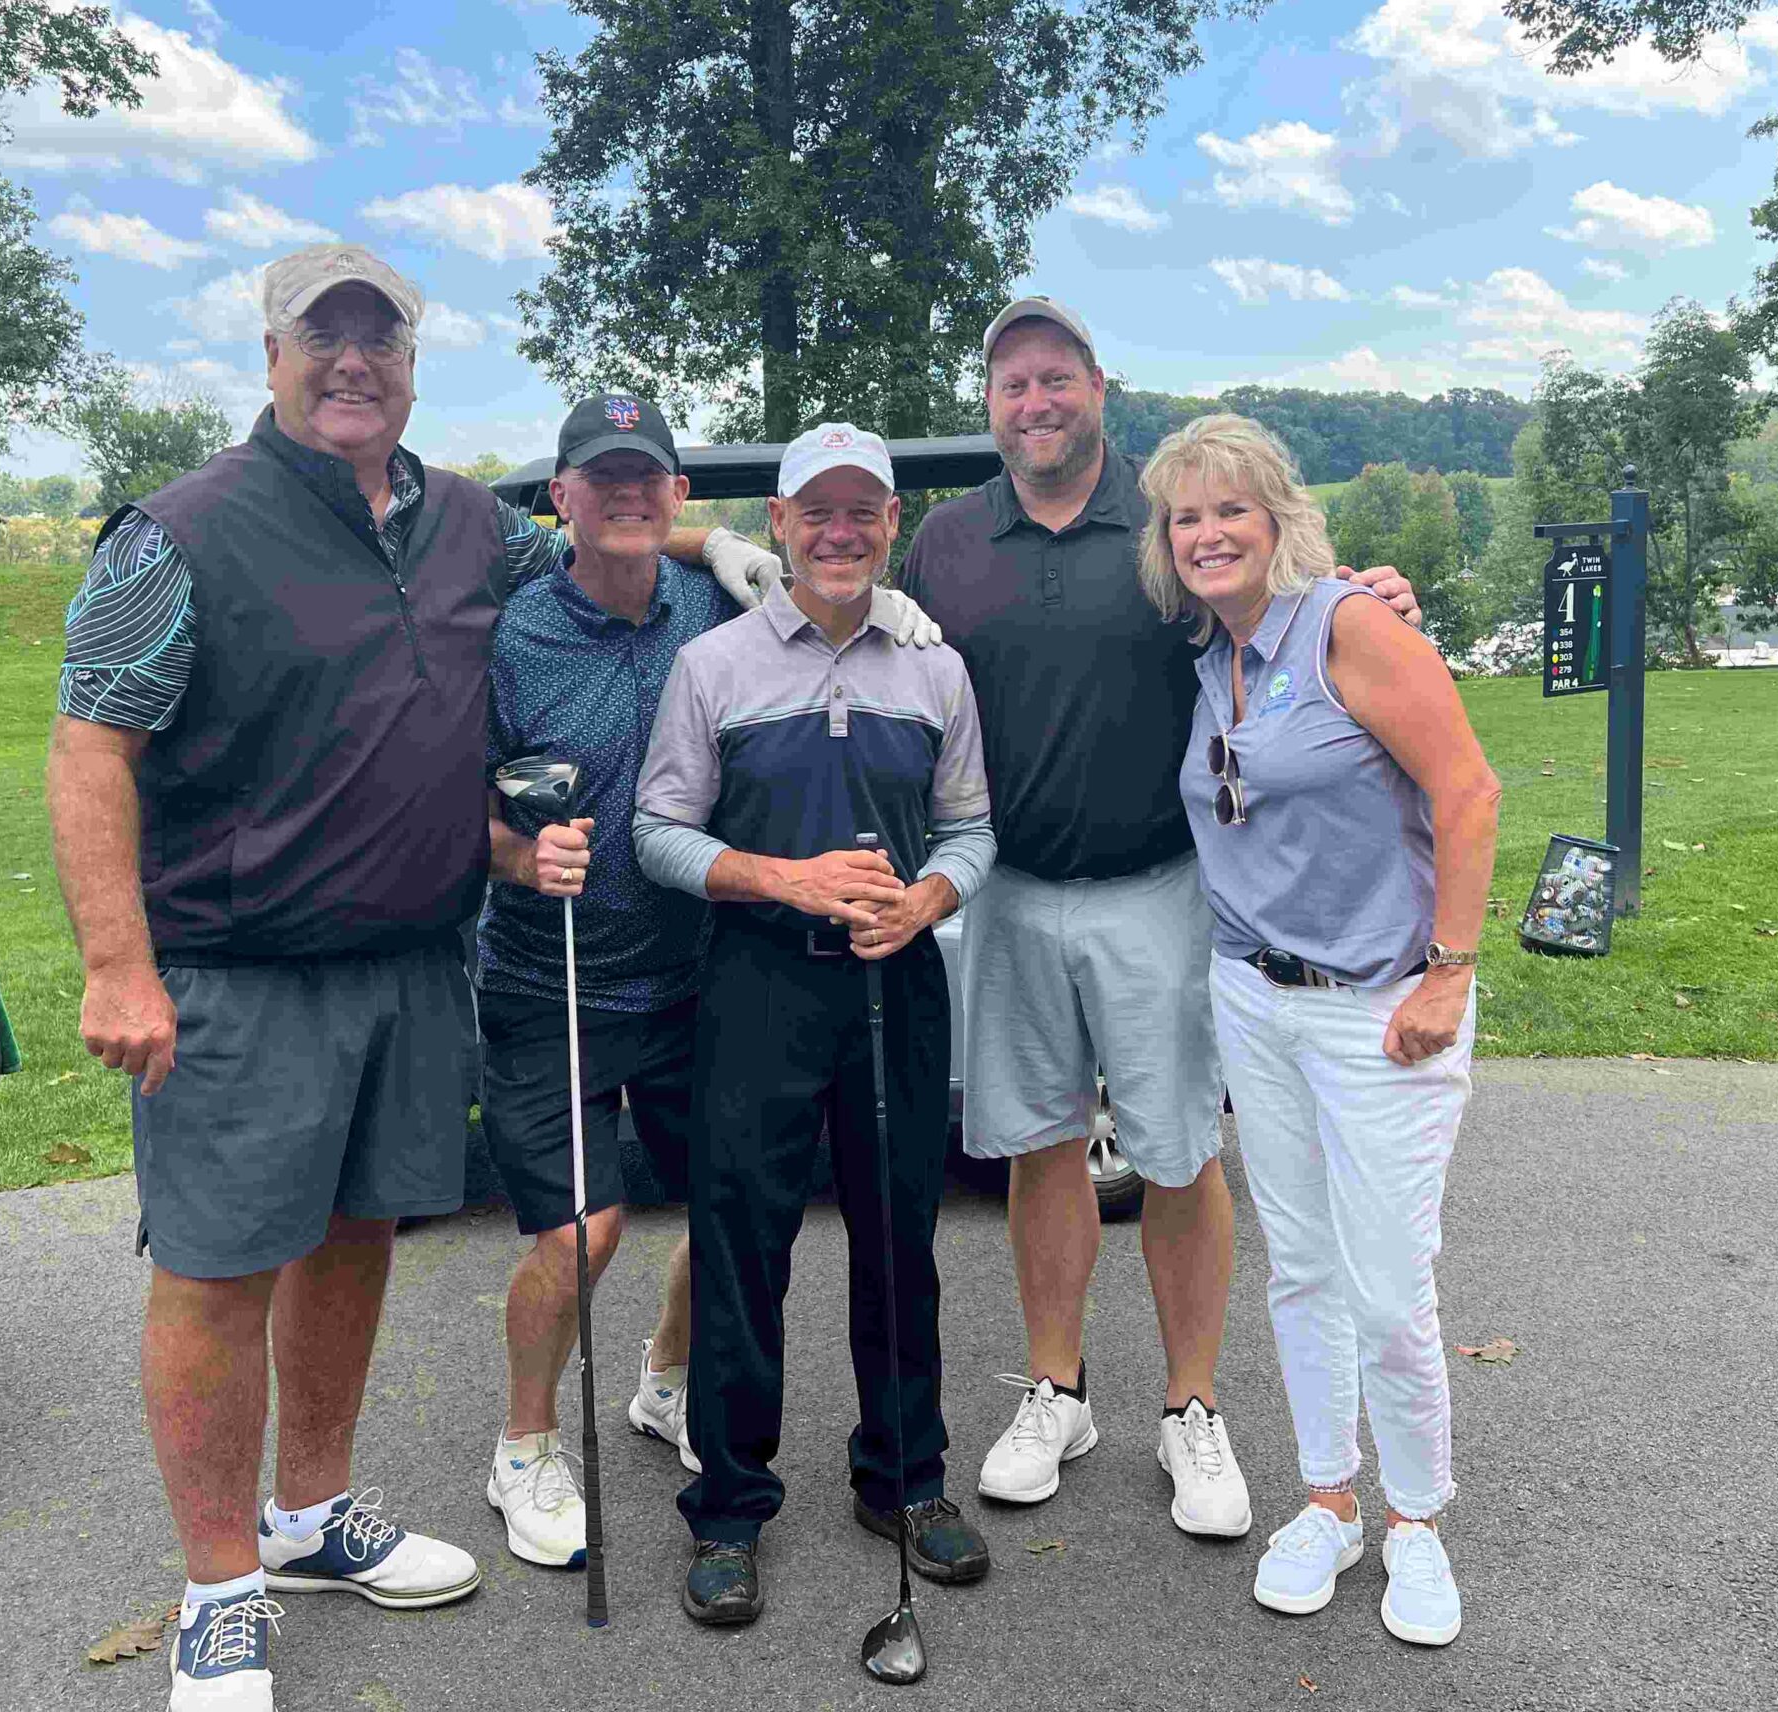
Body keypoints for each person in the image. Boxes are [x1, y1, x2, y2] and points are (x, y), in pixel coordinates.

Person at [48, 243, 793, 1711]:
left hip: (411, 963)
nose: (351, 364)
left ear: (409, 361)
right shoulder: (179, 533)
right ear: (270, 355)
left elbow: (606, 542)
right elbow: (89, 750)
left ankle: (315, 1514)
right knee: (216, 1277)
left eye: (376, 340)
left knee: (355, 1245)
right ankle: (216, 1591)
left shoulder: (466, 523)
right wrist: (118, 965)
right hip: (236, 972)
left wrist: (722, 551)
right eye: (321, 338)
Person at [897, 296, 1418, 1541]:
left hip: (1165, 885)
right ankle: (1057, 1388)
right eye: (1012, 383)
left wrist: (1364, 596)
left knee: (1180, 1154)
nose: (1035, 403)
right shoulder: (948, 539)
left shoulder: (1169, 516)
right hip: (1010, 892)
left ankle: (1190, 1407)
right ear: (990, 404)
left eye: (1056, 379)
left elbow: (1281, 605)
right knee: (1036, 1146)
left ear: (1097, 386)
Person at [474, 393, 944, 1565]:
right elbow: (454, 794)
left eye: (651, 481)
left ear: (681, 496)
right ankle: (527, 1442)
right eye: (602, 480)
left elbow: (830, 594)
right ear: (560, 498)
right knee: (582, 1231)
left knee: (730, 1214)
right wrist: (515, 854)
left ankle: (668, 1380)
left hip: (696, 972)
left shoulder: (712, 598)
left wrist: (755, 554)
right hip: (555, 973)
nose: (629, 497)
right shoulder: (511, 628)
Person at [1138, 413, 1500, 1649]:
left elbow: (1468, 788)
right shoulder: (1208, 656)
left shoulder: (1349, 623)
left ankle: (1416, 1522)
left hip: (1382, 1006)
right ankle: (1328, 1500)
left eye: (1230, 509)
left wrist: (1449, 972)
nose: (1207, 533)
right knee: (1300, 1265)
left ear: (1281, 518)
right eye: (1186, 517)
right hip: (1256, 998)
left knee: (1389, 1285)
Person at [634, 423, 996, 1627]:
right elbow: (659, 830)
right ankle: (731, 1506)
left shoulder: (933, 668)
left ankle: (904, 1478)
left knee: (900, 1238)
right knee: (746, 1246)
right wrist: (778, 879)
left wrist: (934, 895)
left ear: (891, 524)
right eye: (817, 513)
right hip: (757, 979)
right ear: (780, 526)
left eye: (864, 513)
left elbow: (971, 827)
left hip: (893, 981)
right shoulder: (717, 665)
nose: (841, 533)